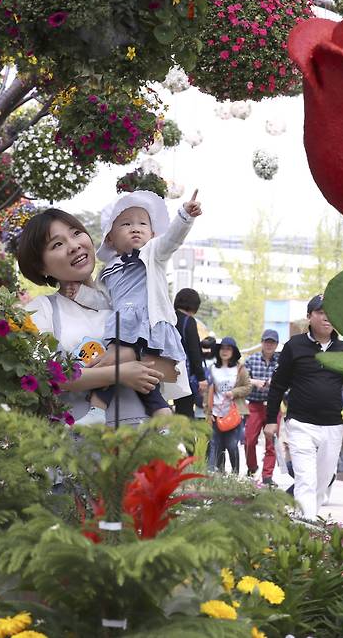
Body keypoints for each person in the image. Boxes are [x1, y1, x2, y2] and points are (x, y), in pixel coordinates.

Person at [16, 208, 164, 426]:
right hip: (77, 443)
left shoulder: (124, 296)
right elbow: (45, 376)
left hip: (141, 438)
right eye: (57, 244)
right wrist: (118, 373)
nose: (74, 245)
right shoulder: (42, 309)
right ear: (41, 266)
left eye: (76, 233)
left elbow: (166, 367)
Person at [77, 189, 201, 425]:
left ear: (152, 234)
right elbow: (103, 301)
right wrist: (79, 294)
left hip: (148, 325)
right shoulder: (107, 271)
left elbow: (172, 240)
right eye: (125, 224)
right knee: (145, 380)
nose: (135, 228)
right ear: (110, 239)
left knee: (111, 362)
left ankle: (97, 406)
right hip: (122, 326)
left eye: (142, 223)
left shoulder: (153, 253)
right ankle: (164, 420)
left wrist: (185, 217)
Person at [264, 294, 343, 519]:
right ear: (309, 316)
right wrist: (271, 420)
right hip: (300, 424)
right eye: (320, 312)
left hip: (333, 425)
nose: (326, 318)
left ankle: (307, 521)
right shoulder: (294, 346)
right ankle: (307, 528)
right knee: (306, 480)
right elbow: (278, 385)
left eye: (330, 313)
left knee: (323, 479)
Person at [207, 336, 252, 474]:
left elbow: (248, 387)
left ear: (233, 352)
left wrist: (234, 392)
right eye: (222, 348)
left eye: (228, 348)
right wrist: (208, 412)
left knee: (232, 445)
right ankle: (218, 474)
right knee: (216, 445)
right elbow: (207, 393)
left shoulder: (240, 369)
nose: (225, 351)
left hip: (234, 413)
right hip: (215, 413)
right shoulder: (212, 368)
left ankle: (235, 474)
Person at [244, 329, 281, 486]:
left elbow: (288, 382)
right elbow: (241, 379)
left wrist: (276, 383)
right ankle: (252, 467)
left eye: (272, 342)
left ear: (276, 345)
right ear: (261, 342)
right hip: (254, 404)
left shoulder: (281, 361)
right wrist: (254, 382)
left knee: (271, 442)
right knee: (249, 440)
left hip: (273, 406)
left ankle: (267, 476)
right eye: (266, 341)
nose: (269, 345)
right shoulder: (251, 360)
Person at [174, 287, 208, 419]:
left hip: (165, 370)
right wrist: (201, 377)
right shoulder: (189, 321)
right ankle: (185, 439)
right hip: (183, 374)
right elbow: (194, 351)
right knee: (185, 413)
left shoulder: (169, 318)